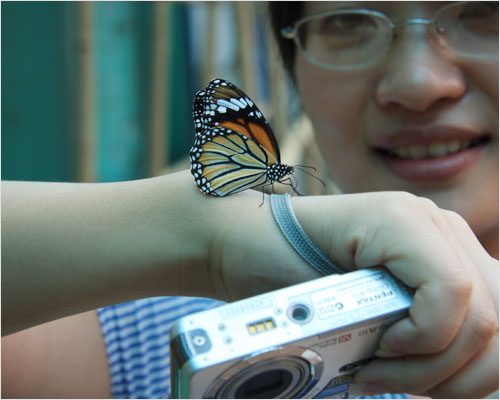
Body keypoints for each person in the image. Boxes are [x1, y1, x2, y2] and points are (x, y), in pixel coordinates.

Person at [2, 1, 498, 399]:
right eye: (349, 20)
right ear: (296, 64)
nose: (418, 85)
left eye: (484, 13)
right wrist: (209, 240)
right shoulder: (194, 329)